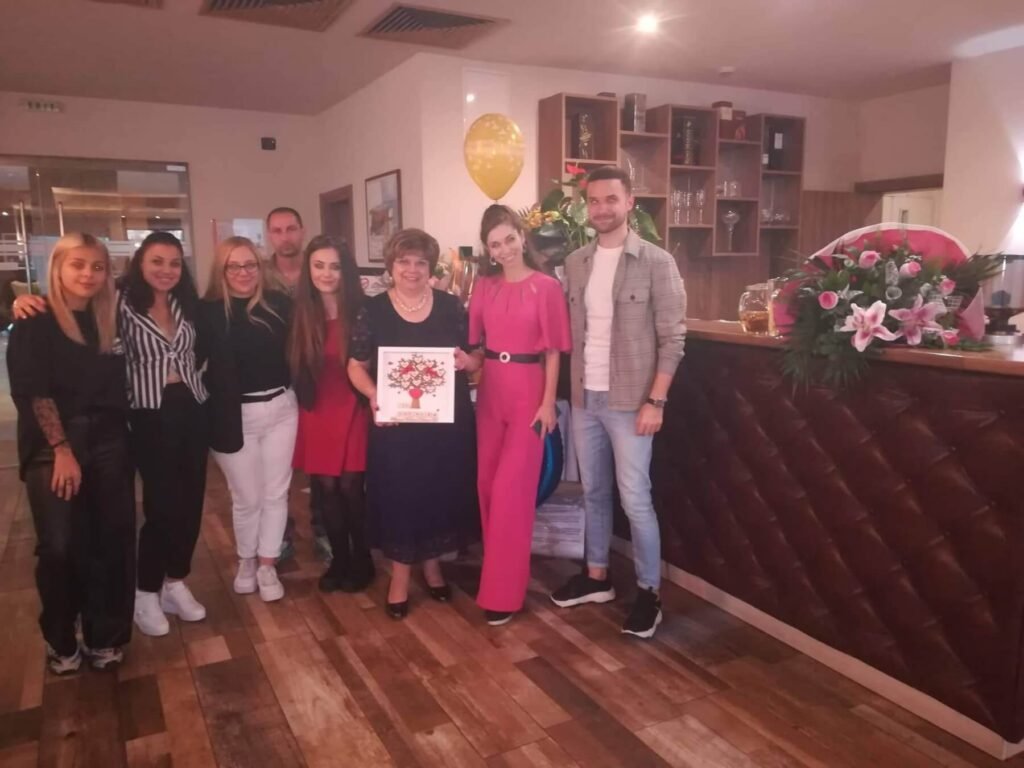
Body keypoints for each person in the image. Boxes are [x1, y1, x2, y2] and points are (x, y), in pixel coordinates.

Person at [11, 234, 212, 636]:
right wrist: (22, 301)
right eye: (156, 261)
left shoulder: (186, 303)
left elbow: (203, 349)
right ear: (139, 264)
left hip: (190, 407)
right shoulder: (119, 302)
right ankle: (146, 590)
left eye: (174, 263)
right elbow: (67, 315)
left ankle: (175, 580)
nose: (166, 270)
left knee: (190, 503)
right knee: (160, 506)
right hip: (148, 413)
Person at [550, 165, 686, 639]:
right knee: (593, 491)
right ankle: (597, 577)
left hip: (631, 401)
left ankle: (649, 592)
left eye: (611, 199)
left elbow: (673, 339)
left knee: (635, 498)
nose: (602, 208)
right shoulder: (576, 262)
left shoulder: (656, 262)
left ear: (630, 202)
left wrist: (656, 401)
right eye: (594, 201)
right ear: (585, 207)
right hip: (584, 397)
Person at [7, 233, 136, 673]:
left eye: (97, 267)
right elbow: (33, 392)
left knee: (112, 539)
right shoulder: (35, 320)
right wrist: (62, 449)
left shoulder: (109, 319)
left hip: (110, 439)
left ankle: (106, 634)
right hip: (53, 444)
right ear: (58, 268)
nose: (88, 274)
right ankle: (61, 638)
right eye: (77, 265)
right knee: (60, 546)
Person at [347, 229, 478, 620]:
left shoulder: (451, 306)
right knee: (400, 496)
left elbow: (476, 357)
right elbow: (356, 365)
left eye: (421, 262)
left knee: (438, 491)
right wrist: (374, 395)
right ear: (391, 266)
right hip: (396, 426)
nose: (412, 269)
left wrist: (469, 362)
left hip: (445, 425)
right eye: (403, 261)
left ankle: (433, 566)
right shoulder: (372, 310)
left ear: (430, 267)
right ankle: (401, 577)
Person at [464, 205, 570, 626]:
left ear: (522, 237)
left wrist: (548, 402)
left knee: (512, 494)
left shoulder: (546, 287)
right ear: (488, 250)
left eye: (509, 239)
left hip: (529, 394)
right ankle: (497, 578)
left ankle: (503, 594)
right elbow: (475, 349)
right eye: (495, 244)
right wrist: (463, 362)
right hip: (491, 392)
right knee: (487, 487)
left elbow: (554, 351)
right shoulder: (483, 287)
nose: (504, 249)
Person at [202, 236, 296, 602]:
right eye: (234, 266)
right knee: (246, 497)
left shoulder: (279, 305)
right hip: (232, 414)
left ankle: (267, 564)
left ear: (260, 267)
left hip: (282, 409)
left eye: (250, 265)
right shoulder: (206, 312)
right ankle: (246, 560)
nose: (243, 272)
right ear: (222, 271)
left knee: (276, 492)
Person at [288, 235, 372, 592]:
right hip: (317, 409)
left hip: (354, 405)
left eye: (335, 267)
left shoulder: (363, 310)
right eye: (319, 265)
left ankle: (363, 558)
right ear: (308, 269)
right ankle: (340, 559)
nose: (326, 274)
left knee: (351, 486)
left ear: (346, 271)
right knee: (326, 489)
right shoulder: (299, 313)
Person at [265, 206, 332, 564]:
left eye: (291, 228)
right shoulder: (259, 275)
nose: (285, 236)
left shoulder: (319, 268)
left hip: (318, 375)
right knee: (279, 466)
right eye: (277, 230)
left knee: (320, 461)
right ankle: (281, 534)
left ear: (302, 230)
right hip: (274, 374)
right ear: (269, 235)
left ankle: (323, 529)